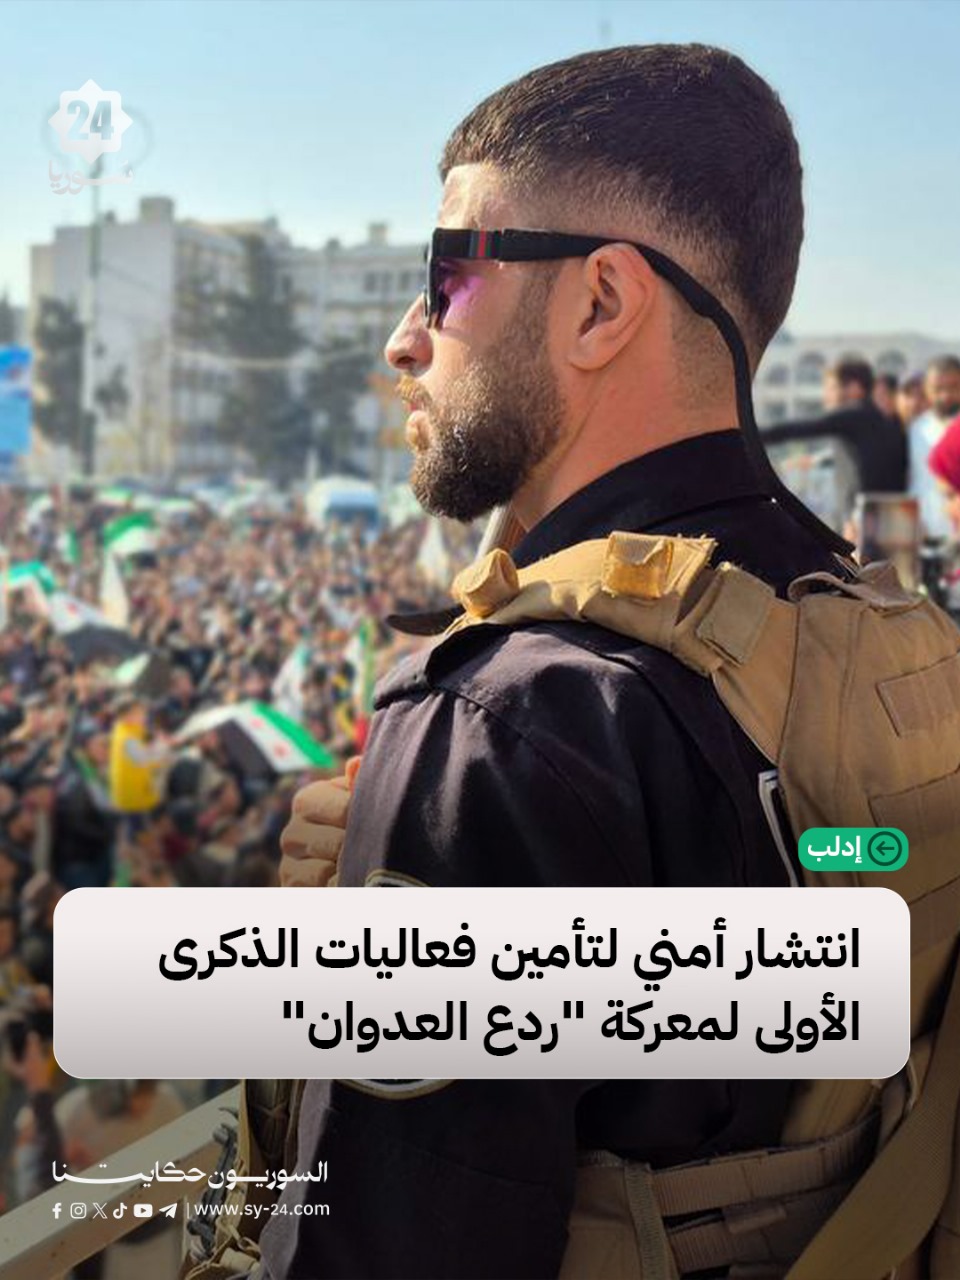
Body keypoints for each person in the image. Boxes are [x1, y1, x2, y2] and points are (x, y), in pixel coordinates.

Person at [256, 45, 867, 1280]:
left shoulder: (509, 721)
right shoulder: (858, 616)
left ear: (600, 304)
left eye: (447, 277)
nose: (405, 340)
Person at [760, 355, 908, 493]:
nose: (830, 394)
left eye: (837, 386)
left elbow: (804, 428)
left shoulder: (855, 415)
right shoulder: (888, 419)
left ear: (854, 387)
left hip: (862, 507)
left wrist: (754, 436)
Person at [908, 353, 960, 539]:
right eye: (938, 389)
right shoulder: (916, 428)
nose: (945, 396)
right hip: (922, 533)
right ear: (927, 390)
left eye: (953, 387)